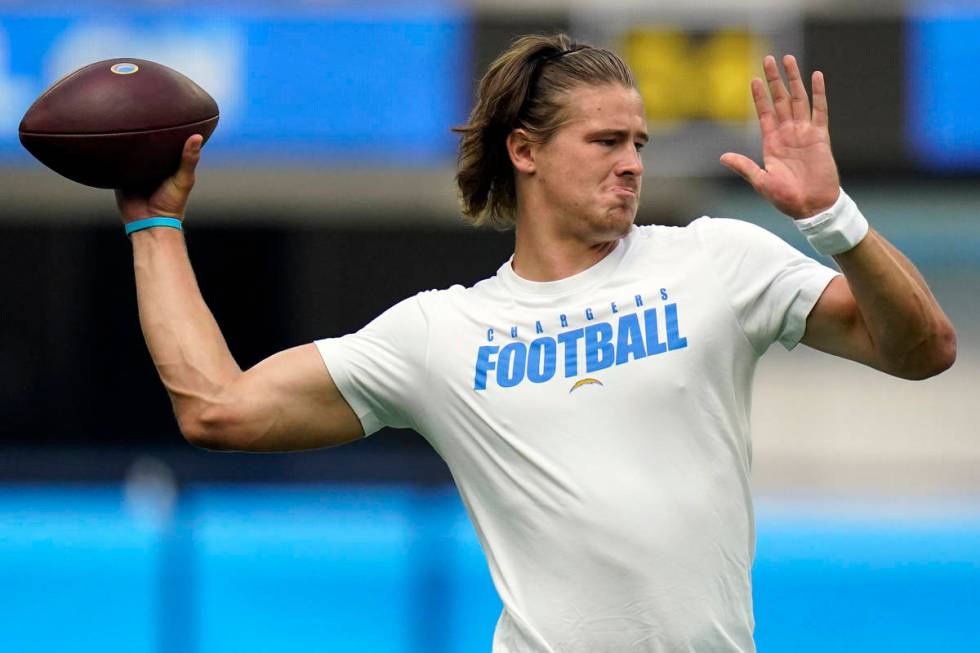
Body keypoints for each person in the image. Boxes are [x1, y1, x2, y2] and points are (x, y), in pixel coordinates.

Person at [116, 33, 955, 653]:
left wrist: (831, 218)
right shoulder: (440, 333)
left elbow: (923, 350)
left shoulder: (715, 260)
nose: (631, 164)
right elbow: (217, 409)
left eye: (638, 144)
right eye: (604, 141)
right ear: (524, 150)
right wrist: (155, 224)